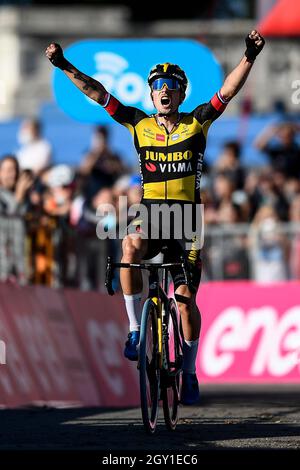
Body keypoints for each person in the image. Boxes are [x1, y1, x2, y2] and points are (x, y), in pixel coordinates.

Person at [46, 30, 265, 405]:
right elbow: (97, 93)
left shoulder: (197, 122)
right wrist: (65, 64)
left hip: (186, 221)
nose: (164, 90)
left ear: (181, 94)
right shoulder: (138, 123)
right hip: (150, 213)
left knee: (183, 300)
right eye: (157, 86)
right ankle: (134, 330)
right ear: (151, 95)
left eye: (171, 86)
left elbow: (227, 90)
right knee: (129, 245)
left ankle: (191, 370)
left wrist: (249, 55)